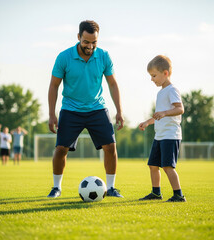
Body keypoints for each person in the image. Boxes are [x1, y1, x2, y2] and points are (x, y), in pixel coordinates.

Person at [47, 20, 124, 198]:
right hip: (71, 109)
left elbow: (112, 83)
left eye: (94, 42)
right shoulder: (64, 57)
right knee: (61, 149)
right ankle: (56, 187)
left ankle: (111, 188)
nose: (90, 46)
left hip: (97, 108)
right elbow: (53, 86)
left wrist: (119, 110)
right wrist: (52, 114)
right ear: (78, 37)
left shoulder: (104, 56)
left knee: (111, 147)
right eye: (86, 42)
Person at [138, 55, 186, 202]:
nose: (152, 79)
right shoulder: (160, 93)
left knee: (167, 167)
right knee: (153, 165)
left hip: (170, 136)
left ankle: (178, 195)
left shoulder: (172, 90)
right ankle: (156, 193)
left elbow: (180, 109)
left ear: (165, 73)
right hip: (159, 136)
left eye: (154, 75)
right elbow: (160, 116)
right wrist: (147, 122)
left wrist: (165, 112)